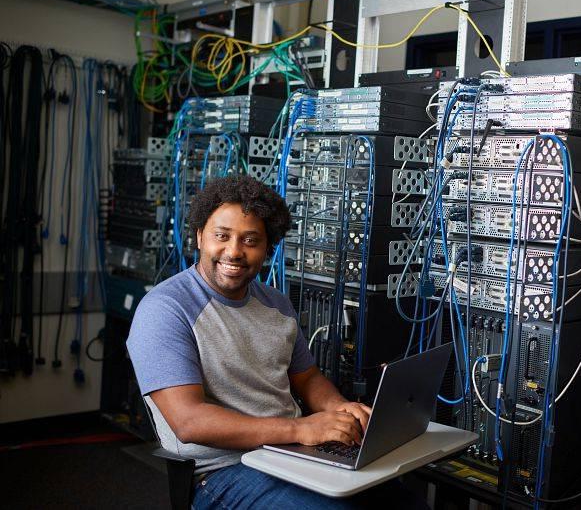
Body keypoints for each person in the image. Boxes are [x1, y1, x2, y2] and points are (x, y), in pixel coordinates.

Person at [127, 175, 423, 509]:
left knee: (405, 504)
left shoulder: (276, 304)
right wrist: (299, 430)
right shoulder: (166, 309)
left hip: (291, 451)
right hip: (222, 472)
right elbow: (189, 421)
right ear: (199, 237)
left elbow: (307, 378)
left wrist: (338, 409)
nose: (234, 251)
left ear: (268, 248)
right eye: (221, 236)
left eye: (250, 240)